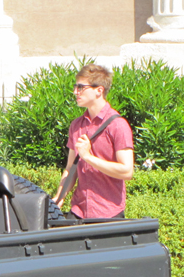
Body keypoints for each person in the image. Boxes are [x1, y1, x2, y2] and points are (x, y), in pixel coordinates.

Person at [53, 64, 134, 219]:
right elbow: (70, 168)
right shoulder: (76, 125)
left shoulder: (117, 125)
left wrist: (88, 157)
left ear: (99, 90)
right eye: (75, 86)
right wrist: (59, 197)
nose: (75, 92)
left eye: (81, 87)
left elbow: (127, 171)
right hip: (78, 212)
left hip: (108, 214)